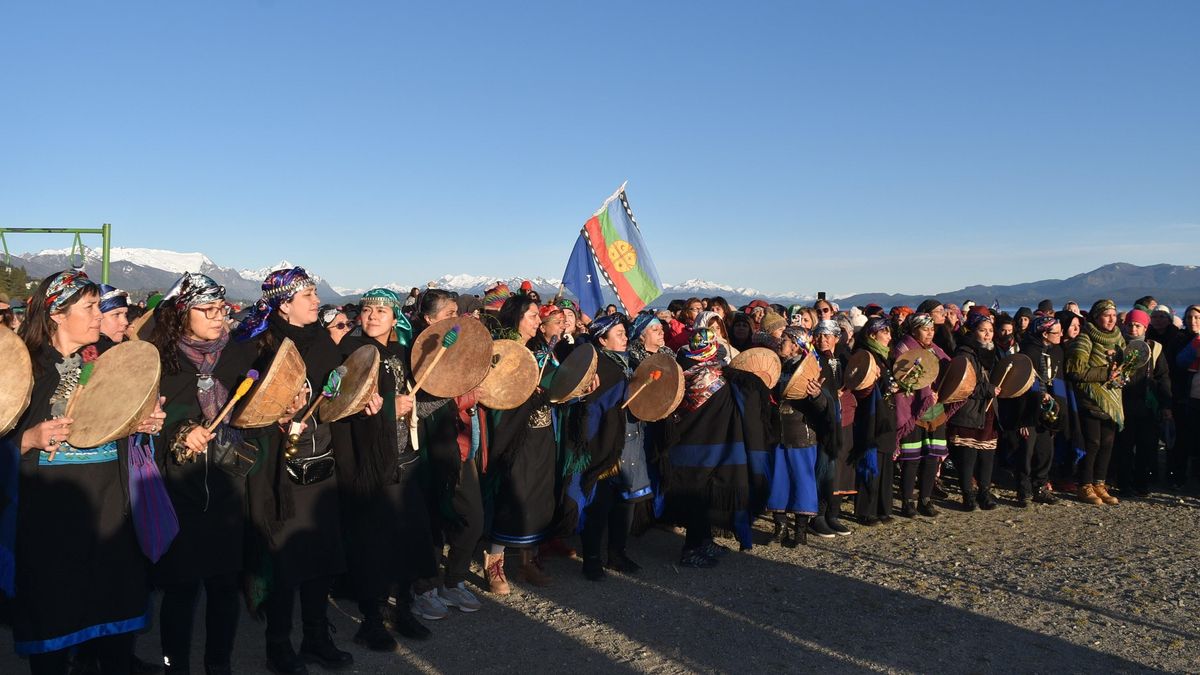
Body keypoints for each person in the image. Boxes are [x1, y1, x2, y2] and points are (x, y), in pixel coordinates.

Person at [5, 270, 165, 675]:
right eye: (90, 307)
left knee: (115, 625)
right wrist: (27, 439)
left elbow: (114, 427)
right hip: (48, 525)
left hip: (110, 514)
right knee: (53, 630)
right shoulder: (24, 369)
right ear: (57, 313)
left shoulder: (109, 361)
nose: (100, 315)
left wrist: (140, 424)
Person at [234, 267, 376, 674]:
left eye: (315, 294)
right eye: (309, 295)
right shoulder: (259, 344)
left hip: (322, 464)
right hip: (280, 471)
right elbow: (238, 407)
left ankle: (316, 637)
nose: (317, 301)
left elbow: (336, 398)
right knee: (284, 563)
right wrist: (274, 411)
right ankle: (278, 647)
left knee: (321, 558)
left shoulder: (322, 342)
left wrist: (363, 402)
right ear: (284, 304)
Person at [151, 273, 256, 675]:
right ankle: (173, 665)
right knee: (180, 589)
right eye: (207, 309)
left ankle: (219, 665)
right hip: (180, 487)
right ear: (182, 313)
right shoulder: (161, 359)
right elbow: (144, 421)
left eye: (221, 309)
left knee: (224, 587)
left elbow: (254, 411)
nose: (218, 317)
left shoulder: (239, 355)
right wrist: (180, 429)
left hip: (229, 486)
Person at [331, 288, 443, 648]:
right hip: (371, 463)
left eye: (382, 310)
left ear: (396, 318)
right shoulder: (348, 355)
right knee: (372, 544)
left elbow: (416, 405)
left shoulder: (402, 354)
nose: (374, 315)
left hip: (405, 460)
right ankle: (372, 619)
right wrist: (390, 409)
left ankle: (404, 608)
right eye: (367, 310)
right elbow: (340, 411)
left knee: (407, 539)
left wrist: (449, 388)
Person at [483, 297, 564, 591]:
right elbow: (495, 395)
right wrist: (528, 394)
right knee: (511, 494)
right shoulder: (503, 351)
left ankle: (529, 561)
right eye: (531, 315)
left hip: (542, 433)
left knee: (539, 496)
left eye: (537, 316)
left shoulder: (541, 352)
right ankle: (494, 564)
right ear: (516, 318)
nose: (536, 320)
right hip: (516, 436)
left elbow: (559, 386)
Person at [579, 315, 651, 579]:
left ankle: (618, 553)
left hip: (630, 439)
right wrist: (593, 443)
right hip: (605, 441)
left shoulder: (630, 363)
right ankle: (592, 559)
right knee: (600, 504)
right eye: (619, 334)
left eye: (624, 333)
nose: (625, 338)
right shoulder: (598, 369)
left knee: (626, 502)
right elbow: (592, 410)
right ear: (602, 340)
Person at [1066, 299, 1126, 506]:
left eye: (1114, 315)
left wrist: (1122, 374)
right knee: (1093, 443)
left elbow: (1125, 365)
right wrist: (1106, 373)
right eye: (1106, 315)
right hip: (1091, 398)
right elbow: (1076, 371)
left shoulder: (1119, 338)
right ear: (1096, 316)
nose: (1111, 319)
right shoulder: (1085, 338)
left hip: (1113, 398)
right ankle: (1084, 484)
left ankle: (1100, 483)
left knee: (1108, 443)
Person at [892, 313, 952, 517]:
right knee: (911, 457)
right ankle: (907, 501)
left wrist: (941, 391)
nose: (930, 332)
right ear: (913, 329)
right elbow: (901, 378)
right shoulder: (903, 348)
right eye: (925, 329)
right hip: (912, 410)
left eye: (932, 329)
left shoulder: (935, 350)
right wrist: (924, 393)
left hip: (934, 410)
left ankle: (925, 499)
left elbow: (949, 369)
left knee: (932, 456)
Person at [766, 326, 822, 545]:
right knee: (778, 480)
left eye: (786, 340)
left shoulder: (811, 369)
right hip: (777, 431)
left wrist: (816, 396)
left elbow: (822, 402)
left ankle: (801, 530)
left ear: (797, 345)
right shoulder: (775, 366)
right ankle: (780, 527)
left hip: (801, 430)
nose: (781, 343)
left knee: (802, 480)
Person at [946, 312, 1001, 511]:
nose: (987, 335)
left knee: (987, 455)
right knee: (967, 457)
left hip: (988, 411)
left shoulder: (994, 351)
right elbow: (963, 385)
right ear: (973, 331)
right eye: (982, 330)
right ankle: (968, 495)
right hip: (969, 411)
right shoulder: (964, 353)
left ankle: (984, 493)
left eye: (990, 331)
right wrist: (988, 390)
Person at [1113, 310, 1171, 497]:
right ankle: (1123, 482)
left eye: (1138, 325)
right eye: (1130, 324)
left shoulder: (1155, 348)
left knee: (1146, 446)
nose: (1133, 328)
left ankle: (1141, 482)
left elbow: (1163, 378)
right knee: (1124, 447)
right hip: (1123, 404)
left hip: (1147, 405)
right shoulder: (1117, 347)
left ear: (1146, 327)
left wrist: (1166, 405)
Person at [1013, 313, 1067, 506]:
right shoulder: (1028, 353)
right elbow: (1024, 384)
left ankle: (1041, 487)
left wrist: (1060, 408)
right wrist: (1023, 419)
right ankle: (1023, 490)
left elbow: (1058, 379)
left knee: (1045, 450)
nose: (1061, 335)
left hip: (1048, 409)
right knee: (1026, 452)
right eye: (1057, 332)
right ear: (1045, 334)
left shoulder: (1057, 351)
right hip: (1029, 408)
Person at [851, 317, 898, 525]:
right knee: (871, 460)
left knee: (886, 461)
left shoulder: (885, 355)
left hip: (886, 412)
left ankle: (883, 507)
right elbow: (857, 383)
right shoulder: (864, 354)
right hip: (869, 414)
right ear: (872, 334)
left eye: (889, 332)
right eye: (885, 332)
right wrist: (875, 381)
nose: (889, 336)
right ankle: (865, 510)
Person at [1166, 305, 1200, 489]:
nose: (1193, 321)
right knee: (1182, 440)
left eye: (1197, 317)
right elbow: (1175, 365)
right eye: (1189, 317)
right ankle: (1176, 477)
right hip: (1185, 397)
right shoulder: (1179, 339)